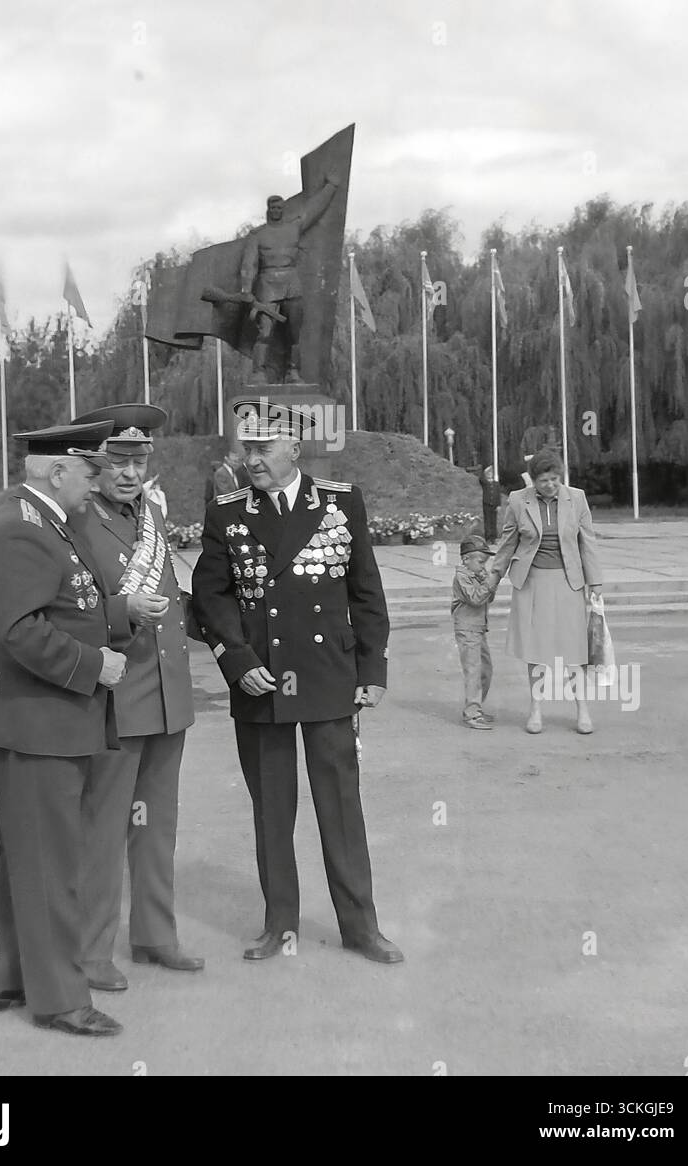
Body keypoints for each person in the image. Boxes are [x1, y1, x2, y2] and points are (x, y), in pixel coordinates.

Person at [192, 397, 403, 965]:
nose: (252, 459)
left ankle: (360, 927)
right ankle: (279, 925)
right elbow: (211, 597)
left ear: (293, 447)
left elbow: (365, 590)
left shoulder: (340, 502)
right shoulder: (227, 512)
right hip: (260, 683)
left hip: (327, 679)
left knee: (341, 808)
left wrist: (372, 669)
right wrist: (236, 662)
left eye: (262, 448)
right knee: (272, 812)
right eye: (246, 448)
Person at [0, 421, 146, 1037]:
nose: (98, 479)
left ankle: (6, 977)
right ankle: (61, 999)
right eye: (90, 469)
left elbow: (70, 604)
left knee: (24, 852)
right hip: (38, 722)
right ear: (57, 470)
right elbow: (20, 629)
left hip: (42, 720)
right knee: (52, 863)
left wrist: (118, 617)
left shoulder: (45, 523)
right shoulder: (24, 528)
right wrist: (95, 664)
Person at [75, 404, 203, 986]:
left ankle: (155, 936)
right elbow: (65, 610)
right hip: (116, 700)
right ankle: (91, 951)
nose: (129, 472)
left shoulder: (150, 512)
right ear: (94, 461)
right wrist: (118, 611)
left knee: (158, 827)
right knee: (103, 831)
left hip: (166, 695)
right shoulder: (76, 517)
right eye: (118, 460)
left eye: (139, 459)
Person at [489, 448, 603, 736]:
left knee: (574, 649)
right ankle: (536, 709)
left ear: (560, 478)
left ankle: (582, 710)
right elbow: (507, 543)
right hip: (532, 581)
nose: (549, 485)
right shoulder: (518, 500)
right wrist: (493, 576)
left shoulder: (576, 498)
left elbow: (587, 542)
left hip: (569, 581)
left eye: (554, 479)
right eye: (543, 481)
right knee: (535, 649)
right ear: (533, 481)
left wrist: (595, 583)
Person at [240, 175, 341, 382]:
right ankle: (259, 372)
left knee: (295, 334)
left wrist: (331, 187)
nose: (276, 211)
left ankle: (293, 371)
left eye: (279, 208)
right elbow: (249, 265)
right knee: (265, 332)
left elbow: (314, 210)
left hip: (292, 285)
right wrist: (246, 291)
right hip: (267, 285)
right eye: (273, 208)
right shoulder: (257, 235)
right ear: (268, 210)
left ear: (283, 210)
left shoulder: (293, 228)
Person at [452, 535, 498, 730]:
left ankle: (476, 706)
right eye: (480, 562)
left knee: (486, 670)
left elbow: (490, 598)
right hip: (467, 628)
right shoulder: (462, 577)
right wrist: (489, 582)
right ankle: (472, 713)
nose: (483, 566)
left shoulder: (477, 575)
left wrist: (487, 580)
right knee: (473, 671)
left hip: (479, 628)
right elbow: (476, 599)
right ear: (466, 560)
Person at [479, 465, 501, 543]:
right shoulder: (485, 483)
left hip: (494, 504)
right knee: (487, 521)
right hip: (487, 504)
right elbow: (480, 479)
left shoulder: (496, 483)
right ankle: (488, 538)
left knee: (493, 522)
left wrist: (499, 505)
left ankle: (494, 538)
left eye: (491, 473)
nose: (489, 474)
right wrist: (484, 470)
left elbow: (498, 495)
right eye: (488, 473)